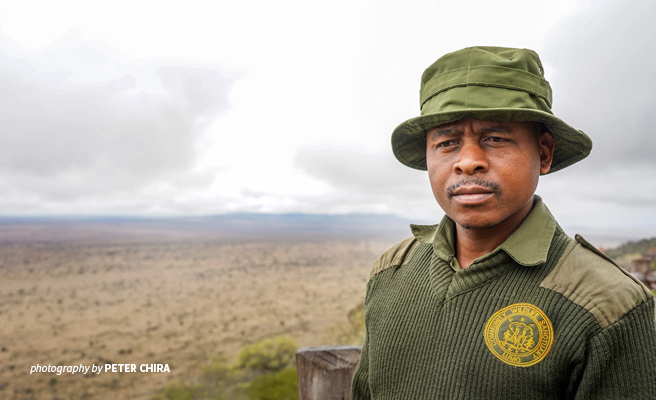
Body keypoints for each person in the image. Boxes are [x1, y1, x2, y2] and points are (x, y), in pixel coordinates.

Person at [351, 46, 656, 399]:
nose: (468, 162)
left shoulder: (607, 304)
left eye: (494, 139)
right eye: (447, 142)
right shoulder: (392, 271)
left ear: (543, 153)